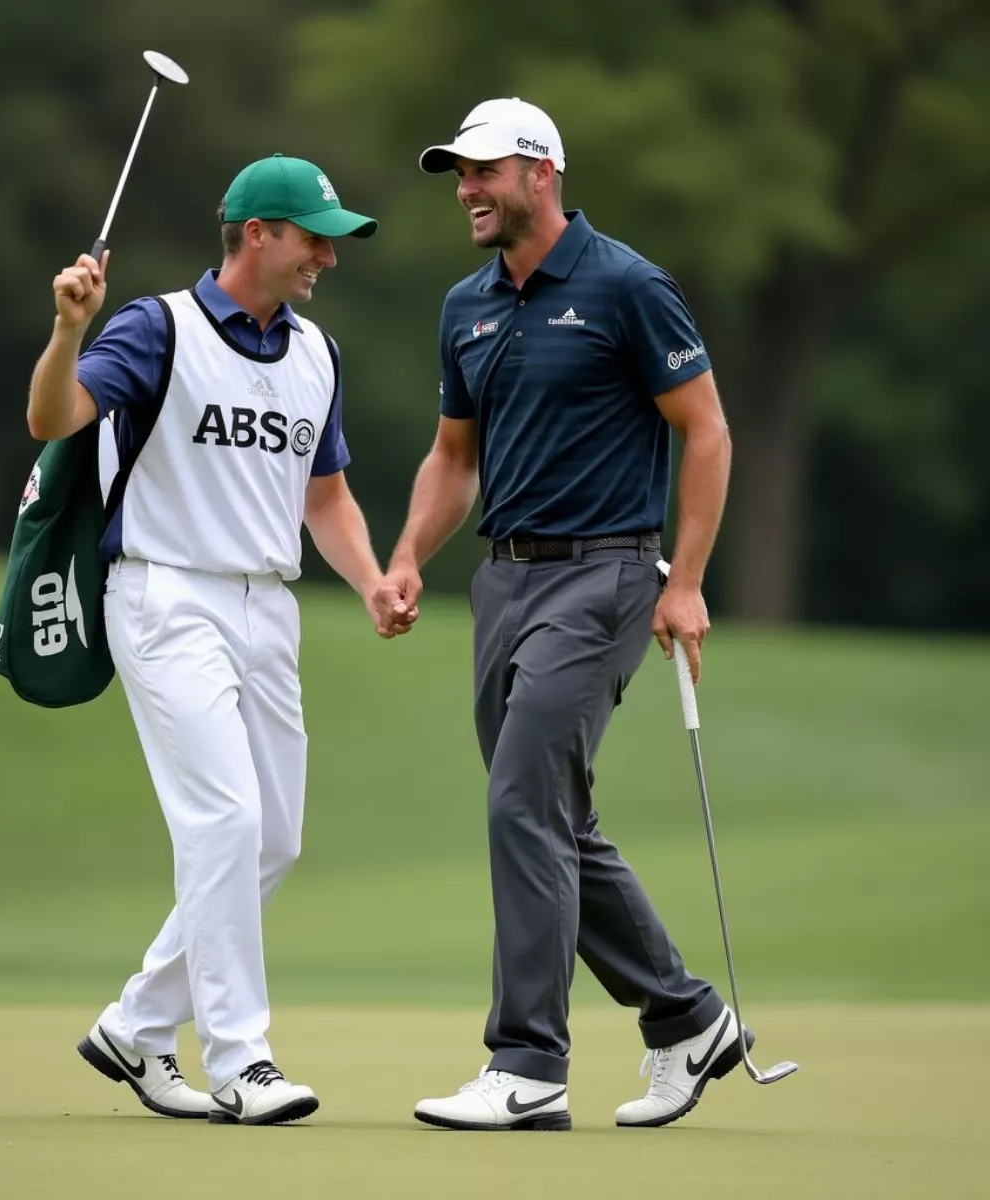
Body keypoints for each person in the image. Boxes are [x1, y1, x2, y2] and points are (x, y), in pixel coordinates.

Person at [376, 99, 740, 1131]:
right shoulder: (467, 306)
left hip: (608, 576)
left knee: (519, 807)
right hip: (505, 582)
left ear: (542, 171)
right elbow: (455, 458)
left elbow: (706, 432)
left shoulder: (628, 286)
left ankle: (528, 1062)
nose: (467, 191)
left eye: (483, 171)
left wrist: (687, 582)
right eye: (458, 175)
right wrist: (408, 555)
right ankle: (687, 1019)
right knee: (549, 815)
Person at [27, 154, 387, 1127]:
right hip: (165, 593)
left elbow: (327, 495)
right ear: (258, 234)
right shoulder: (156, 328)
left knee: (273, 840)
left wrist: (372, 578)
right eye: (314, 237)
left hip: (270, 610)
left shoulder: (318, 352)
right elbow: (53, 418)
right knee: (224, 821)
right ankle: (242, 1059)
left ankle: (138, 1028)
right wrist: (69, 333)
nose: (328, 256)